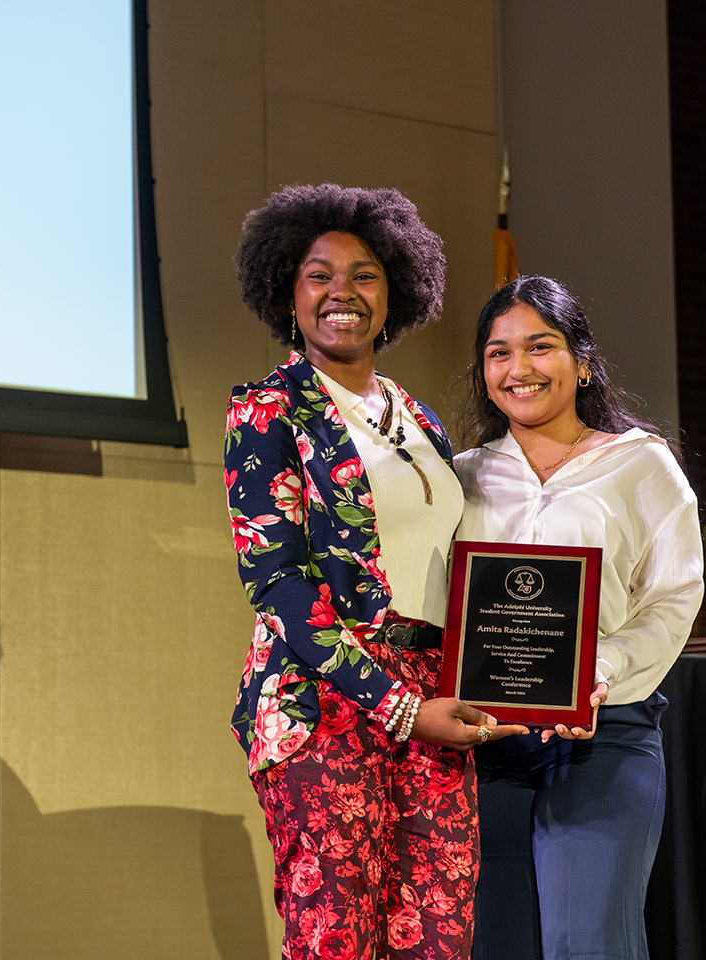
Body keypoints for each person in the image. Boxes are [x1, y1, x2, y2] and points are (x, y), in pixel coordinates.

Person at [226, 183, 527, 960]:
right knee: (337, 942)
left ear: (394, 293)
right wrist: (397, 707)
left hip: (434, 700)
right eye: (318, 275)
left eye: (364, 275)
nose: (342, 294)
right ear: (286, 294)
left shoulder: (419, 419)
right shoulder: (268, 410)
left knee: (438, 940)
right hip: (324, 705)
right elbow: (278, 584)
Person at [453, 275, 705, 960]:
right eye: (498, 352)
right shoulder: (462, 476)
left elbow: (674, 596)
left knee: (587, 942)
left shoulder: (638, 462)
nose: (519, 368)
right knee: (494, 942)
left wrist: (600, 668)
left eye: (541, 346)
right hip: (482, 742)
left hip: (605, 733)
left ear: (582, 361)